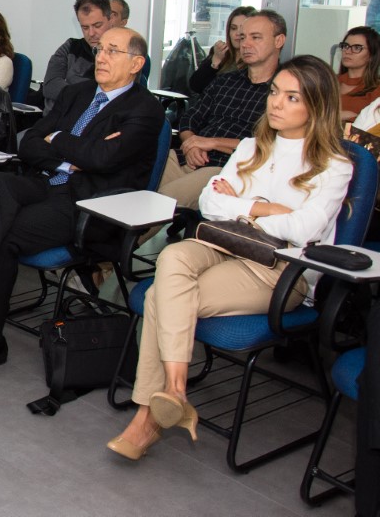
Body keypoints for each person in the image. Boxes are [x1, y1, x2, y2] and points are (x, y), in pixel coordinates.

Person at [107, 55, 352, 460]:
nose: (276, 103)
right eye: (275, 92)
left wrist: (241, 205)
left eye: (292, 97)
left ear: (317, 105)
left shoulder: (333, 164)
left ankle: (149, 415)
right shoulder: (251, 147)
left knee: (158, 297)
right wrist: (267, 209)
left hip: (281, 271)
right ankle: (176, 391)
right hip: (223, 245)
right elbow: (209, 203)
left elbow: (304, 230)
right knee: (174, 256)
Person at [0, 27, 164, 373]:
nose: (101, 57)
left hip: (90, 206)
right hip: (47, 181)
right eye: (99, 50)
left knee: (3, 234)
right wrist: (74, 152)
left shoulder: (145, 109)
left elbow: (103, 159)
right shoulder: (77, 93)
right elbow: (30, 142)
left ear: (137, 63)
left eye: (113, 51)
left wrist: (59, 138)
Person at [158, 11, 286, 212]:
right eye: (242, 37)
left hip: (228, 169)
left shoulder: (284, 93)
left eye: (255, 37)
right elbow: (190, 117)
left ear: (279, 41)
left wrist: (211, 142)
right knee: (134, 188)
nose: (245, 44)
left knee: (161, 202)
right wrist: (192, 144)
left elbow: (271, 145)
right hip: (188, 156)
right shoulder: (226, 81)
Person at [40, 0, 113, 113]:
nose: (91, 33)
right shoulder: (70, 47)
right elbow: (50, 86)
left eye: (97, 25)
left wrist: (67, 90)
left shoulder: (123, 53)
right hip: (54, 118)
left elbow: (110, 96)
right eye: (85, 27)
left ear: (110, 20)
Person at [188, 6, 257, 94]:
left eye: (242, 28)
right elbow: (195, 86)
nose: (237, 33)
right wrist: (215, 62)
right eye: (233, 28)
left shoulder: (256, 59)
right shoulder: (221, 51)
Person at [337, 26, 380, 123]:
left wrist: (354, 117)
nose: (347, 51)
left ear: (371, 55)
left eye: (357, 48)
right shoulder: (328, 82)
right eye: (345, 46)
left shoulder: (377, 90)